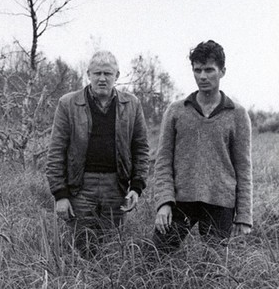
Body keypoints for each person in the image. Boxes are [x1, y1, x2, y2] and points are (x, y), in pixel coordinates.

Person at [45, 50, 150, 258]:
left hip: (116, 186)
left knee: (113, 248)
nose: (102, 78)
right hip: (80, 187)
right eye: (97, 73)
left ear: (117, 76)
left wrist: (136, 187)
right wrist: (60, 195)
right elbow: (56, 151)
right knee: (82, 248)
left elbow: (141, 148)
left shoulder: (132, 104)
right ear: (88, 74)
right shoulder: (69, 104)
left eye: (108, 74)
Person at [152, 40, 252, 253]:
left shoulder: (237, 114)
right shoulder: (176, 111)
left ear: (222, 71)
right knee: (154, 261)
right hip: (180, 201)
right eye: (197, 70)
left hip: (220, 204)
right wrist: (164, 202)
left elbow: (243, 168)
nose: (203, 76)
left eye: (209, 70)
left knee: (213, 271)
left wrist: (244, 215)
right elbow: (162, 162)